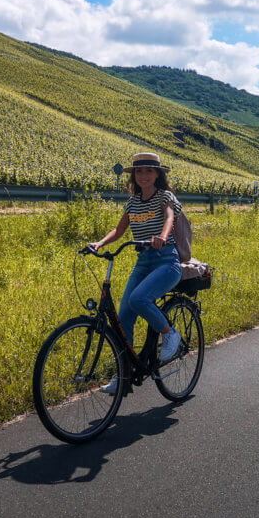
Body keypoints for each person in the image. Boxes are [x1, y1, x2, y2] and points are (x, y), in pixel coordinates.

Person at [88, 152, 183, 394]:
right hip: (143, 262)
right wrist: (100, 243)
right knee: (124, 318)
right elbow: (119, 230)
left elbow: (170, 217)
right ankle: (124, 375)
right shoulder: (132, 203)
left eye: (149, 171)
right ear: (133, 176)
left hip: (166, 260)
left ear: (158, 174)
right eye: (139, 172)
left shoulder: (164, 196)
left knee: (138, 299)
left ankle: (170, 333)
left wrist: (162, 237)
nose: (144, 176)